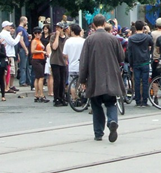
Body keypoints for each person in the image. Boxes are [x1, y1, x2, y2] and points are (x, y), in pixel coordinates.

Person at [79, 14, 125, 142]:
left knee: (96, 105)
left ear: (93, 25)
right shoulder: (113, 39)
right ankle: (112, 121)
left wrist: (82, 80)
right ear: (104, 23)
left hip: (95, 78)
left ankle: (98, 133)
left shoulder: (89, 40)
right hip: (111, 77)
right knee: (111, 102)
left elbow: (84, 62)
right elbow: (121, 57)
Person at [128, 20, 154, 107]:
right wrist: (149, 54)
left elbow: (130, 52)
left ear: (135, 28)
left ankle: (138, 100)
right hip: (145, 61)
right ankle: (145, 101)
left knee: (137, 81)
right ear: (143, 27)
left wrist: (131, 64)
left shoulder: (131, 39)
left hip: (136, 62)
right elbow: (152, 43)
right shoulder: (147, 37)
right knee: (145, 82)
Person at [62, 24, 85, 102]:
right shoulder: (83, 41)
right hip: (82, 65)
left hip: (72, 66)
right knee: (83, 82)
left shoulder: (68, 41)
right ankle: (82, 96)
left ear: (72, 32)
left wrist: (69, 57)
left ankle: (74, 99)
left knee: (72, 83)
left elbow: (64, 54)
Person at [50, 22, 68, 106]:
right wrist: (57, 36)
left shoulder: (67, 39)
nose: (57, 29)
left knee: (63, 81)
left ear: (63, 29)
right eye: (56, 27)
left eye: (59, 28)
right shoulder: (53, 37)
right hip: (55, 61)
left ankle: (62, 97)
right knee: (57, 80)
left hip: (63, 61)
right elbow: (54, 47)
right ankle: (56, 98)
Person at [30, 27, 48, 103]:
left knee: (38, 77)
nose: (38, 35)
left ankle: (37, 94)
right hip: (36, 60)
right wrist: (42, 52)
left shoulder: (39, 41)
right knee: (40, 77)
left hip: (40, 59)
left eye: (39, 33)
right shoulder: (34, 41)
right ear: (34, 34)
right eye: (36, 33)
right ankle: (41, 94)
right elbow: (32, 51)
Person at [17, 16, 30, 87]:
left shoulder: (23, 29)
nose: (27, 22)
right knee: (23, 66)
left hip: (24, 48)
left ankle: (27, 80)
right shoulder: (20, 29)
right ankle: (22, 81)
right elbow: (21, 40)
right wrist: (26, 49)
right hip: (22, 49)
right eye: (26, 21)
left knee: (26, 66)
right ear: (24, 21)